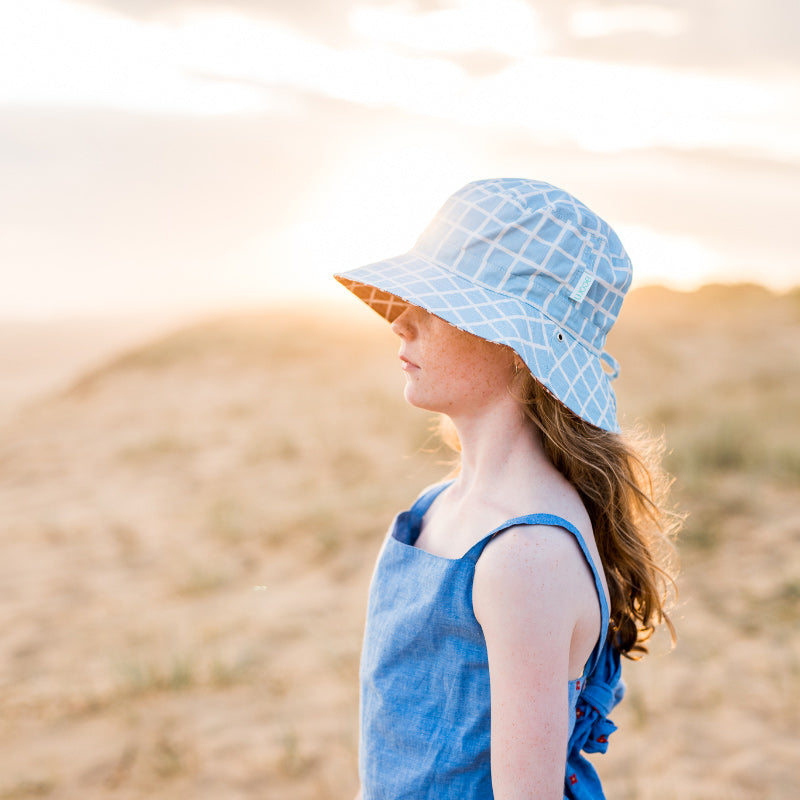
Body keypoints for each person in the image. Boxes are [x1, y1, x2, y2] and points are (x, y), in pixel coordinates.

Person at [334, 178, 678, 800]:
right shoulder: (441, 504)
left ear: (519, 344)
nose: (400, 321)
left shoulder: (526, 555)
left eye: (437, 303)